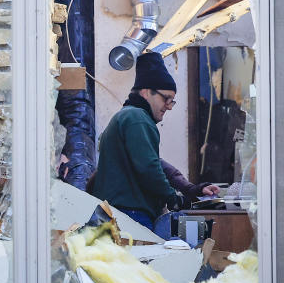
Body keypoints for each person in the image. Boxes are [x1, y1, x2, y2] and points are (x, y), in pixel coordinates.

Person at [90, 52, 217, 232]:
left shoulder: (127, 116)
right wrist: (172, 197)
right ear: (145, 92)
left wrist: (190, 189)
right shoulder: (137, 118)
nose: (168, 106)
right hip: (129, 215)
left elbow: (155, 163)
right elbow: (149, 167)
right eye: (165, 98)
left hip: (116, 214)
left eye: (172, 101)